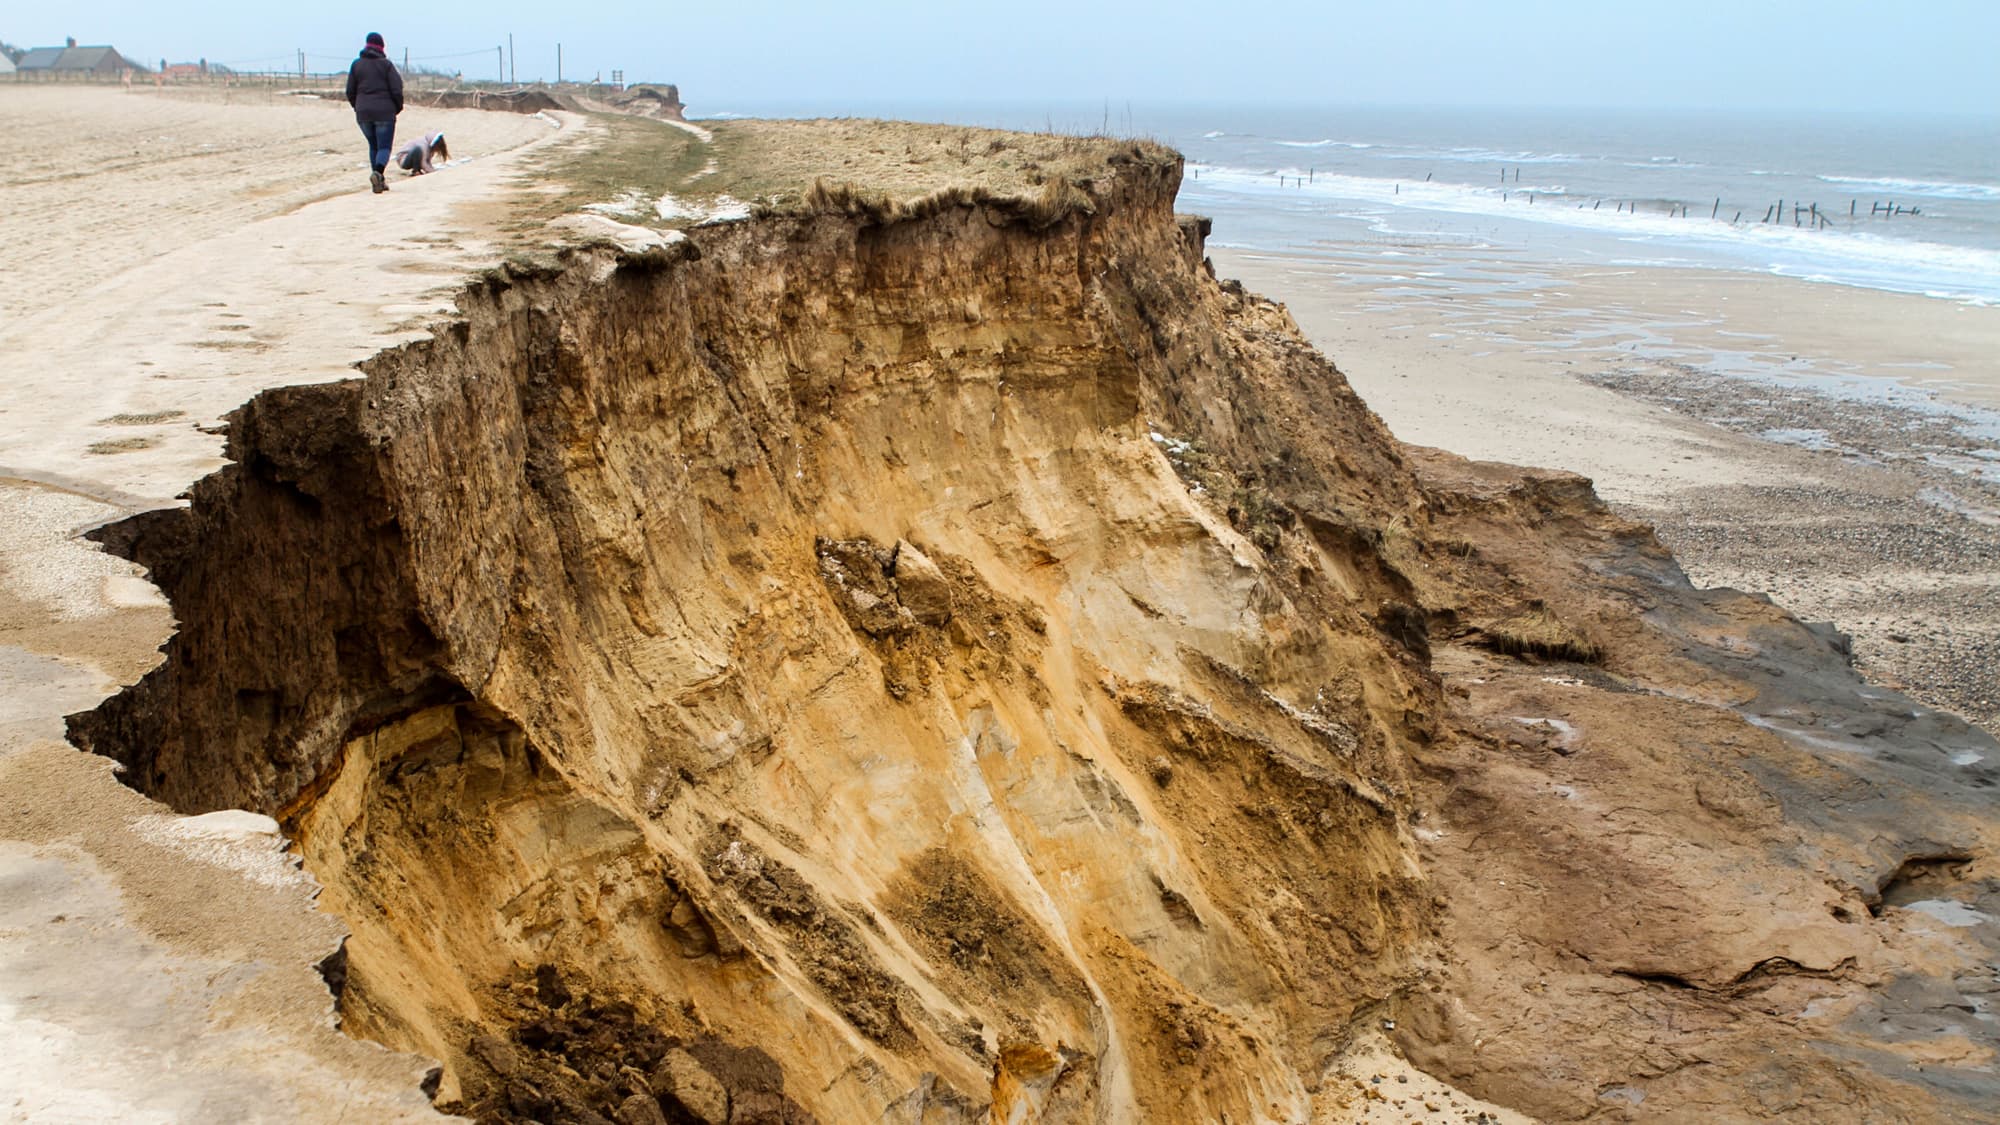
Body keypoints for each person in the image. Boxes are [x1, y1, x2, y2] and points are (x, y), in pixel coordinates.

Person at [345, 32, 404, 194]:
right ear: (382, 47)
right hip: (385, 112)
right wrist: (397, 107)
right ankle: (378, 174)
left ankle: (378, 181)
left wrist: (357, 107)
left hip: (363, 113)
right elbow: (397, 89)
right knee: (384, 147)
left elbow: (350, 91)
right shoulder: (386, 65)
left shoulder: (356, 65)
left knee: (373, 146)